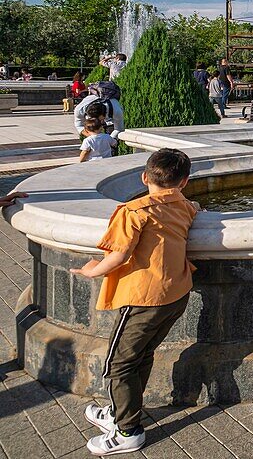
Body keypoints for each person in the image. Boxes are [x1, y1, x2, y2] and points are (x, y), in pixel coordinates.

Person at [70, 149, 200, 455]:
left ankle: (127, 431)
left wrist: (91, 271)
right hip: (175, 293)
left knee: (118, 363)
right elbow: (195, 206)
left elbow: (119, 254)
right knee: (140, 356)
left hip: (145, 297)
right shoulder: (183, 205)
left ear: (144, 177)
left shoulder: (134, 211)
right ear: (184, 182)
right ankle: (119, 413)